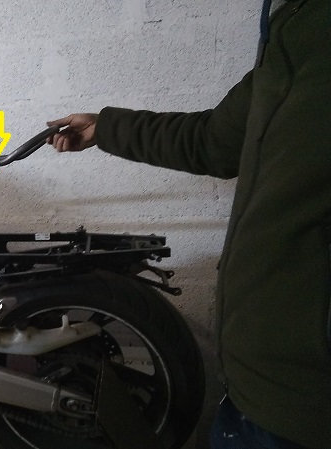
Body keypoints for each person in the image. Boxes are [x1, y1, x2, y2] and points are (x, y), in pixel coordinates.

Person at [45, 1, 330, 448]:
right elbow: (214, 141)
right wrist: (106, 128)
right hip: (255, 388)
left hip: (305, 407)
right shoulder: (293, 28)